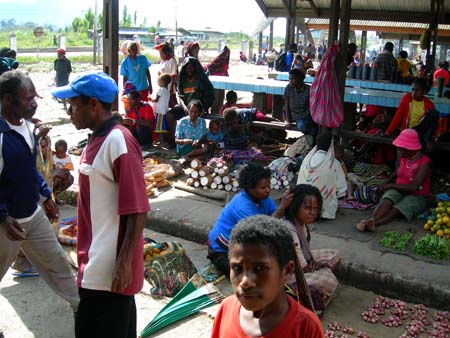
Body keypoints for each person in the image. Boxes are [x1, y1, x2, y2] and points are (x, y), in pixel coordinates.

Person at [51, 71, 150, 338]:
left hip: (107, 269)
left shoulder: (119, 140)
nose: (70, 111)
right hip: (94, 262)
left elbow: (138, 208)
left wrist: (124, 262)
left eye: (74, 105)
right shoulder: (95, 139)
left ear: (93, 104)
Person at [0, 70, 79, 330]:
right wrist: (2, 216)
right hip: (7, 227)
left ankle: (84, 310)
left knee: (58, 264)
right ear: (8, 99)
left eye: (35, 96)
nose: (34, 102)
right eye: (28, 98)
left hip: (32, 217)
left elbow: (28, 168)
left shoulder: (25, 126)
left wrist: (45, 195)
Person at [210, 214, 324, 338]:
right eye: (237, 268)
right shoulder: (226, 308)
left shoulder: (306, 327)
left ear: (287, 271)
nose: (245, 282)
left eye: (259, 268)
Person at [207, 162, 293, 276]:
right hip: (222, 252)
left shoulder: (263, 198)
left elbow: (275, 217)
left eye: (269, 186)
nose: (268, 190)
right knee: (254, 275)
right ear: (250, 188)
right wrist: (282, 207)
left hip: (244, 244)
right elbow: (262, 230)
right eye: (263, 187)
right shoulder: (242, 205)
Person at [356, 129, 432, 232]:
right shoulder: (403, 156)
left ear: (412, 148)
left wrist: (391, 186)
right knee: (386, 200)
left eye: (403, 149)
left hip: (417, 195)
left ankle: (375, 223)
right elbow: (397, 172)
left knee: (398, 208)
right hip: (399, 189)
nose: (400, 151)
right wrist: (386, 182)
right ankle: (371, 220)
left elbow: (414, 187)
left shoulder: (425, 162)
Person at [284, 184, 341, 313]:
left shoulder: (301, 224)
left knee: (334, 254)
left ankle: (312, 290)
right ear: (295, 206)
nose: (313, 213)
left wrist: (316, 264)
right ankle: (294, 291)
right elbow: (301, 268)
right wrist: (320, 266)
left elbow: (304, 255)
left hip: (301, 262)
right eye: (308, 208)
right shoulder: (289, 229)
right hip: (287, 275)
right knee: (329, 280)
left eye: (315, 208)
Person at [297, 131, 347, 219]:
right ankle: (321, 210)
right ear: (331, 146)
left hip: (303, 204)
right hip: (326, 210)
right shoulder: (334, 164)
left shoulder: (306, 161)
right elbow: (342, 190)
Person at [385, 77, 443, 146]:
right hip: (408, 131)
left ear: (424, 92)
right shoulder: (407, 98)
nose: (414, 93)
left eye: (418, 90)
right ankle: (425, 142)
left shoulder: (429, 104)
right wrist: (388, 132)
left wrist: (434, 137)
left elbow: (434, 124)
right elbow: (398, 116)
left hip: (420, 132)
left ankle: (427, 141)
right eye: (412, 90)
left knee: (434, 113)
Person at [284, 68, 317, 147]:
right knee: (302, 126)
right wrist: (288, 121)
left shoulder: (309, 89)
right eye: (289, 79)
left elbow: (312, 106)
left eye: (293, 79)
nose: (290, 81)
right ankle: (312, 138)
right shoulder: (289, 88)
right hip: (295, 115)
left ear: (300, 79)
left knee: (306, 124)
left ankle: (312, 138)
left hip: (306, 115)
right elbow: (286, 104)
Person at [156, 42, 178, 108]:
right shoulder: (162, 61)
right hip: (162, 87)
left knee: (171, 104)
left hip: (169, 87)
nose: (160, 56)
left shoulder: (172, 61)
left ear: (166, 53)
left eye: (161, 54)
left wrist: (171, 88)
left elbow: (173, 75)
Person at [152, 73, 170, 140]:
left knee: (159, 127)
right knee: (162, 126)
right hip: (165, 111)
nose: (158, 83)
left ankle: (162, 142)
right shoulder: (167, 91)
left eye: (159, 81)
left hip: (160, 111)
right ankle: (160, 140)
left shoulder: (160, 89)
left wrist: (150, 98)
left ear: (163, 81)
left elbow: (156, 99)